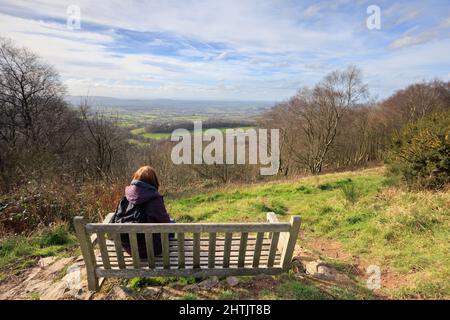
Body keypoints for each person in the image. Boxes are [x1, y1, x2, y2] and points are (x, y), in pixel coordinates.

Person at [119, 165, 172, 258]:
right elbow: (166, 223)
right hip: (152, 249)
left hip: (130, 249)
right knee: (172, 224)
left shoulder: (126, 196)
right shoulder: (155, 199)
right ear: (154, 181)